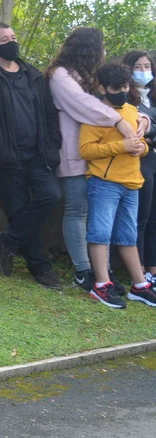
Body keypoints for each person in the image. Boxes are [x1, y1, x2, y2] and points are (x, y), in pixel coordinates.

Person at [47, 28, 148, 290]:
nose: (103, 52)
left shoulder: (87, 76)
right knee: (77, 210)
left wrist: (143, 119)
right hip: (73, 151)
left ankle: (103, 270)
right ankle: (83, 269)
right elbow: (84, 104)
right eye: (100, 47)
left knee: (98, 217)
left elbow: (123, 106)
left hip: (102, 161)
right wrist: (118, 122)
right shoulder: (60, 76)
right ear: (89, 49)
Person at [0, 23, 63, 289]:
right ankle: (39, 266)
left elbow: (49, 112)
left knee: (51, 195)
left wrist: (53, 143)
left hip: (38, 154)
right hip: (8, 157)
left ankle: (9, 239)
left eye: (13, 37)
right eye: (5, 39)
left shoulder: (33, 75)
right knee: (18, 209)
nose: (12, 42)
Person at [78, 63, 156, 309]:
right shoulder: (96, 114)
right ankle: (101, 284)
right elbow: (86, 150)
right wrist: (121, 147)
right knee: (100, 233)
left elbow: (142, 145)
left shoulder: (133, 111)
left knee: (128, 235)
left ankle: (139, 285)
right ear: (102, 88)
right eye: (116, 88)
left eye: (125, 87)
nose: (121, 92)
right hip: (105, 183)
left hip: (131, 182)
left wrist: (141, 148)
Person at [123, 51, 156, 278]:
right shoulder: (126, 98)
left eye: (147, 66)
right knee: (140, 219)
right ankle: (139, 271)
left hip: (153, 159)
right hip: (138, 161)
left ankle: (152, 270)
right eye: (137, 66)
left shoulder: (152, 96)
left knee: (154, 220)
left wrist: (150, 131)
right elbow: (137, 130)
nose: (143, 71)